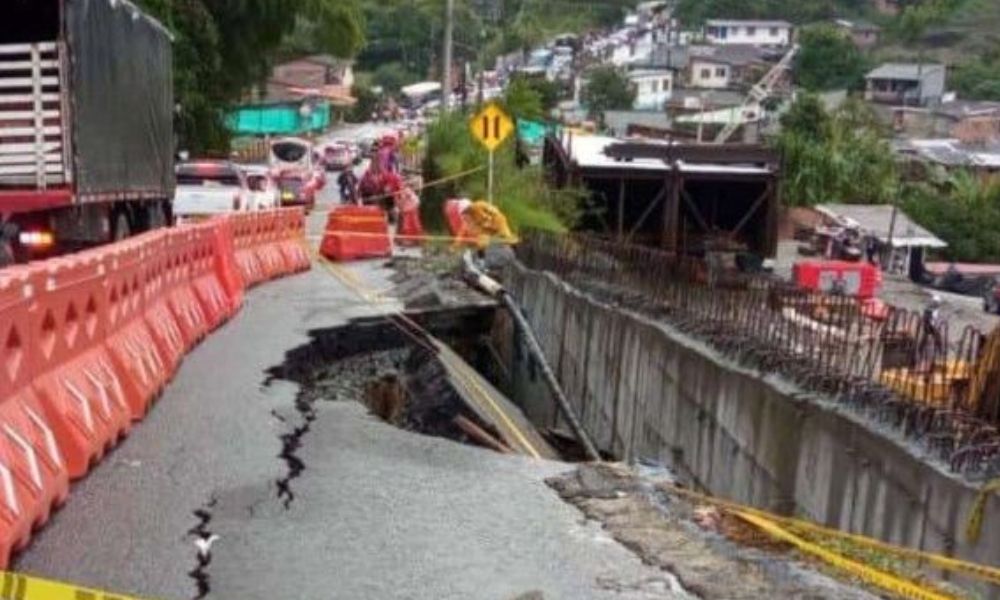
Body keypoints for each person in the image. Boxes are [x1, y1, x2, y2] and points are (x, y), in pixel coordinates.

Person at [920, 294, 945, 371]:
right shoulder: (928, 309)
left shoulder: (936, 309)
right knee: (930, 338)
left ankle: (940, 351)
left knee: (937, 338)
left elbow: (936, 318)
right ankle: (922, 350)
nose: (936, 304)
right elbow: (926, 319)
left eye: (937, 303)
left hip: (932, 325)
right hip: (929, 326)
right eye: (935, 302)